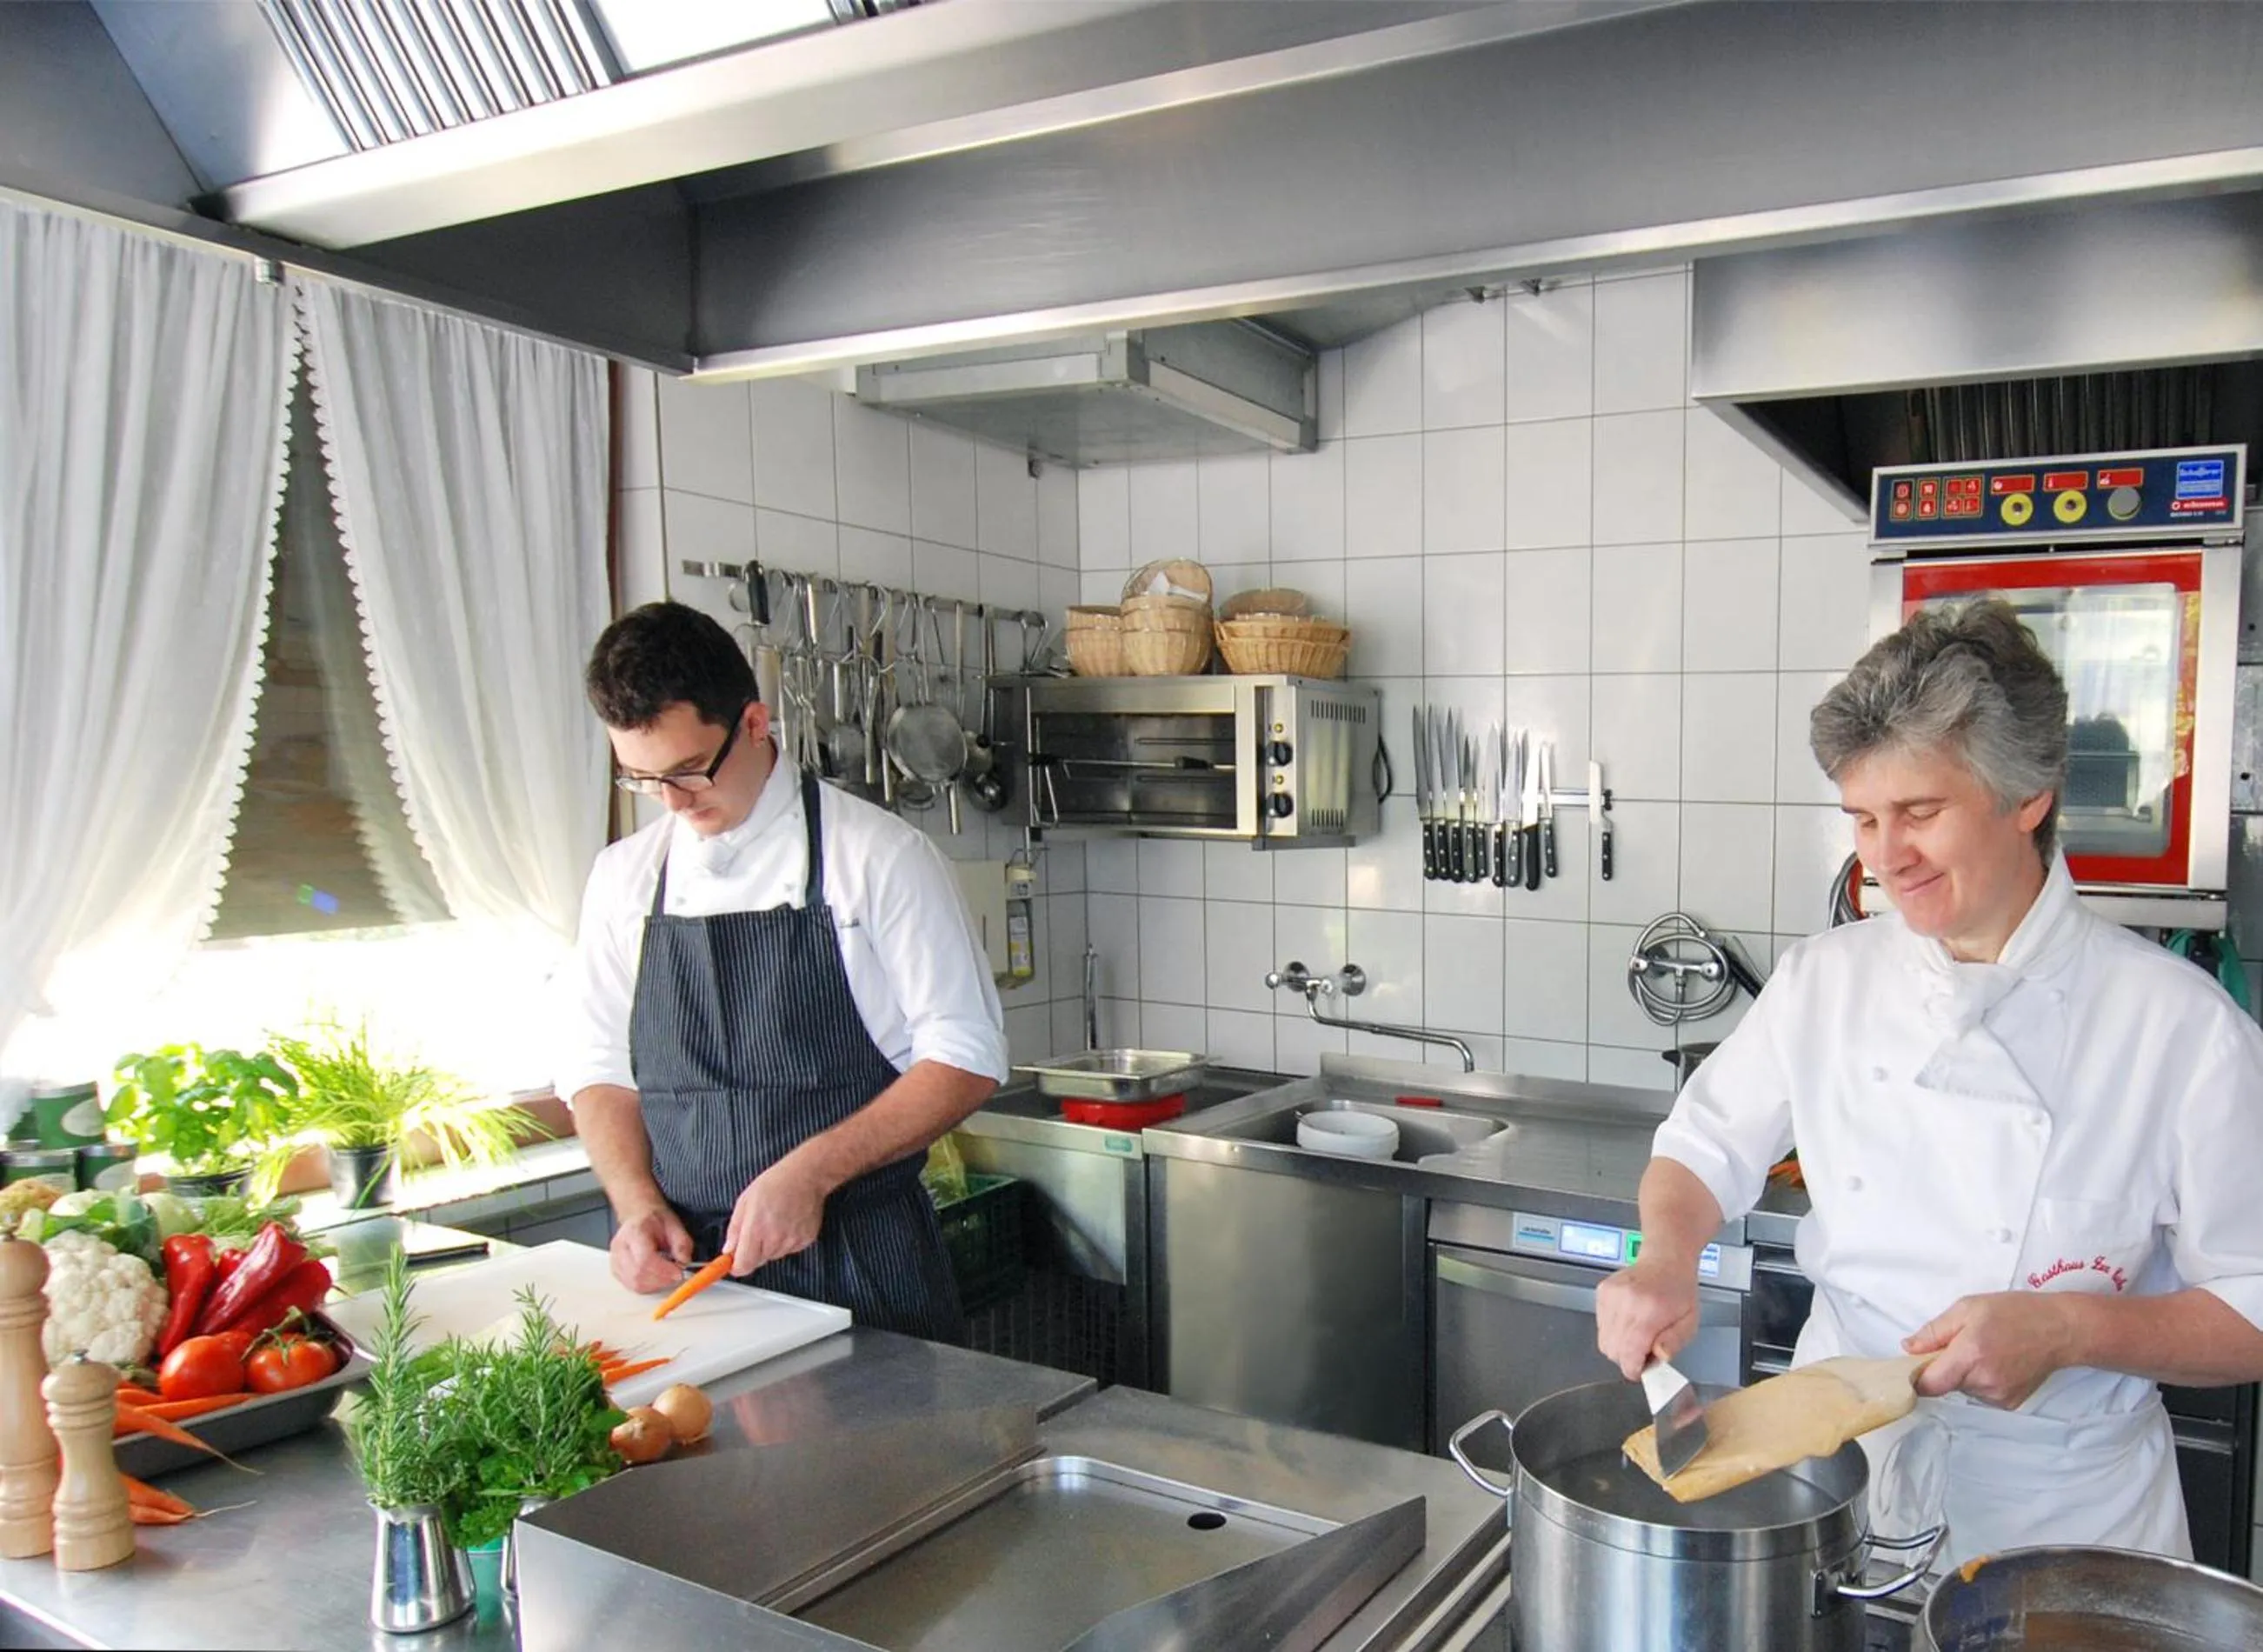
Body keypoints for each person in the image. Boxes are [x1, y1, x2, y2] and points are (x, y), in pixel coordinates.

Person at [1596, 600, 2263, 1565]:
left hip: (2060, 1513)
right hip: (1835, 1473)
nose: (1880, 856)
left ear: (2026, 795)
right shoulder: (1822, 979)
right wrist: (1663, 1256)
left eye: (1917, 812)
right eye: (1861, 818)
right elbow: (1700, 1148)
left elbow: (2251, 1309)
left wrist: (2069, 1328)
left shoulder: (2178, 1028)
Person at [553, 601, 1008, 1342]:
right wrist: (635, 1202)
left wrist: (813, 1173)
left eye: (688, 771)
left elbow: (967, 1055)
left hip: (862, 1269)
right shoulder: (622, 879)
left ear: (756, 724)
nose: (671, 802)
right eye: (641, 780)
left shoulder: (878, 858)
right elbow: (598, 1066)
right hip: (695, 1282)